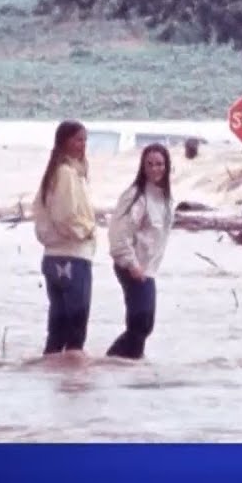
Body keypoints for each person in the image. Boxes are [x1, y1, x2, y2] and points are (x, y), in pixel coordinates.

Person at [32, 120, 97, 355]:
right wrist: (87, 230)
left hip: (55, 256)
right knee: (75, 330)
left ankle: (53, 372)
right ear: (64, 142)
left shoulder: (58, 173)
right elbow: (64, 216)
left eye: (85, 140)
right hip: (72, 257)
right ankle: (70, 374)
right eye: (78, 140)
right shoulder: (66, 173)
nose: (83, 145)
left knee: (58, 329)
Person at [105, 144, 175, 360]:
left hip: (148, 268)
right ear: (142, 167)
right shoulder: (136, 195)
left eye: (160, 164)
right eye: (150, 164)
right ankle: (113, 362)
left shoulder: (165, 198)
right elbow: (119, 233)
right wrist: (132, 264)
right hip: (132, 266)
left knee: (144, 325)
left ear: (167, 166)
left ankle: (127, 366)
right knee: (140, 324)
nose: (155, 169)